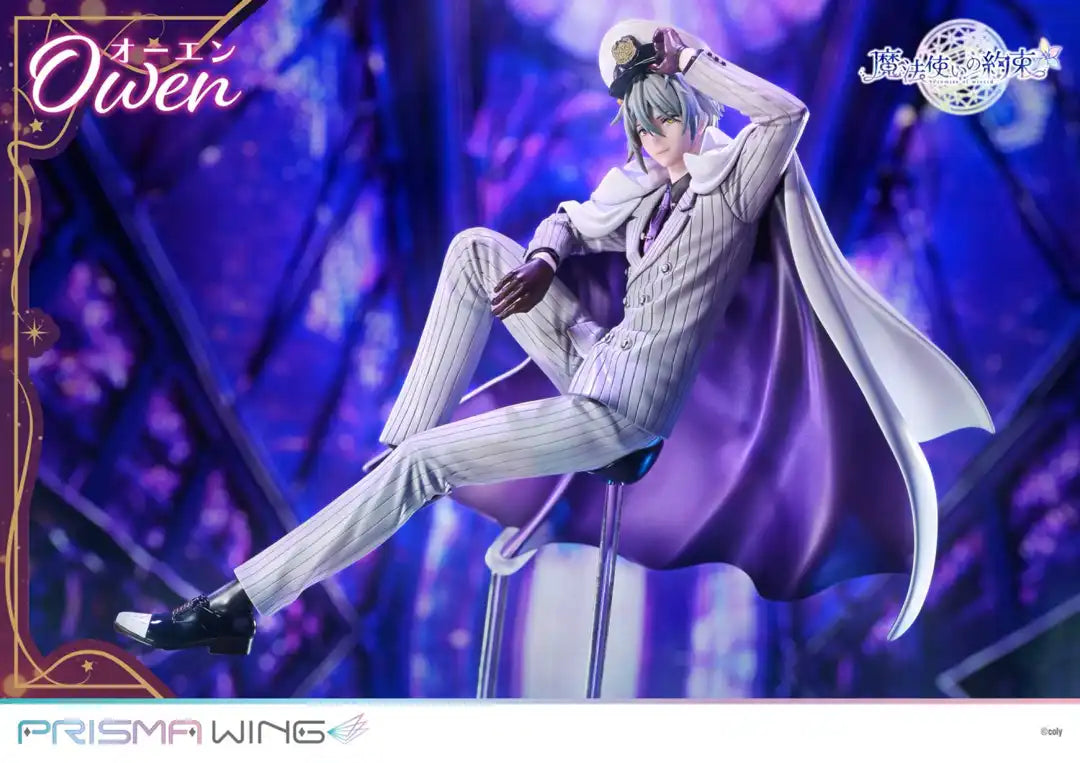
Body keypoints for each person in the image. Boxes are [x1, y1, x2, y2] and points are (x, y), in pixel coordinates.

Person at [114, 20, 992, 655]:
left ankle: (238, 607)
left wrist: (693, 60)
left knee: (428, 469)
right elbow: (574, 217)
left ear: (693, 113)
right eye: (639, 127)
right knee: (474, 252)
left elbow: (786, 117)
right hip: (592, 358)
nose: (652, 140)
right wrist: (542, 256)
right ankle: (398, 443)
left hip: (623, 413)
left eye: (664, 120)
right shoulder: (642, 191)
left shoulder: (731, 188)